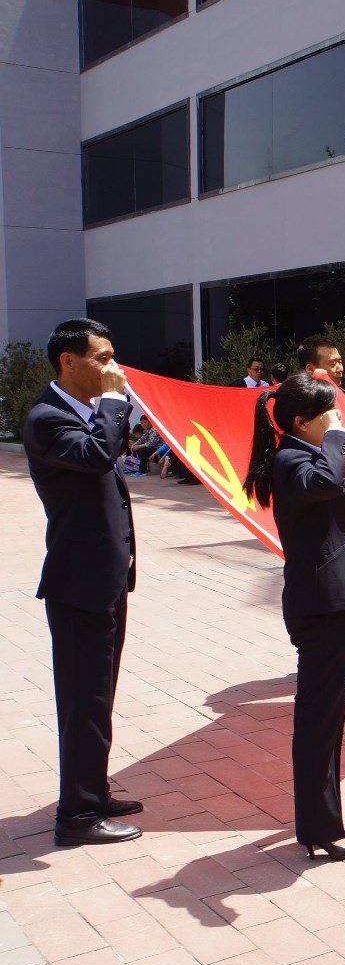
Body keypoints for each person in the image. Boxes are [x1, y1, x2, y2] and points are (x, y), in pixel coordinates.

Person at [25, 319, 144, 847]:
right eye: (102, 358)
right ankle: (77, 815)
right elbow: (99, 455)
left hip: (105, 578)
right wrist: (115, 402)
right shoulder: (48, 418)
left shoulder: (84, 412)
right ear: (68, 362)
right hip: (79, 584)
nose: (112, 368)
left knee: (98, 698)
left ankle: (93, 790)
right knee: (83, 702)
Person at [242, 372, 345, 861]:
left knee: (329, 718)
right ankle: (318, 827)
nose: (337, 419)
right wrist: (336, 440)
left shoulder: (306, 455)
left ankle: (325, 816)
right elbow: (325, 484)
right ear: (301, 422)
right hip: (321, 602)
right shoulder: (293, 460)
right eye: (328, 414)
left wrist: (329, 442)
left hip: (334, 598)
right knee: (318, 718)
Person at [299, 336, 345, 680]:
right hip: (318, 501)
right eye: (332, 363)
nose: (341, 368)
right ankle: (326, 660)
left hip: (343, 498)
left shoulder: (340, 396)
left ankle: (344, 656)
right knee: (325, 586)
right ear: (310, 369)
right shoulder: (301, 404)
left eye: (341, 361)